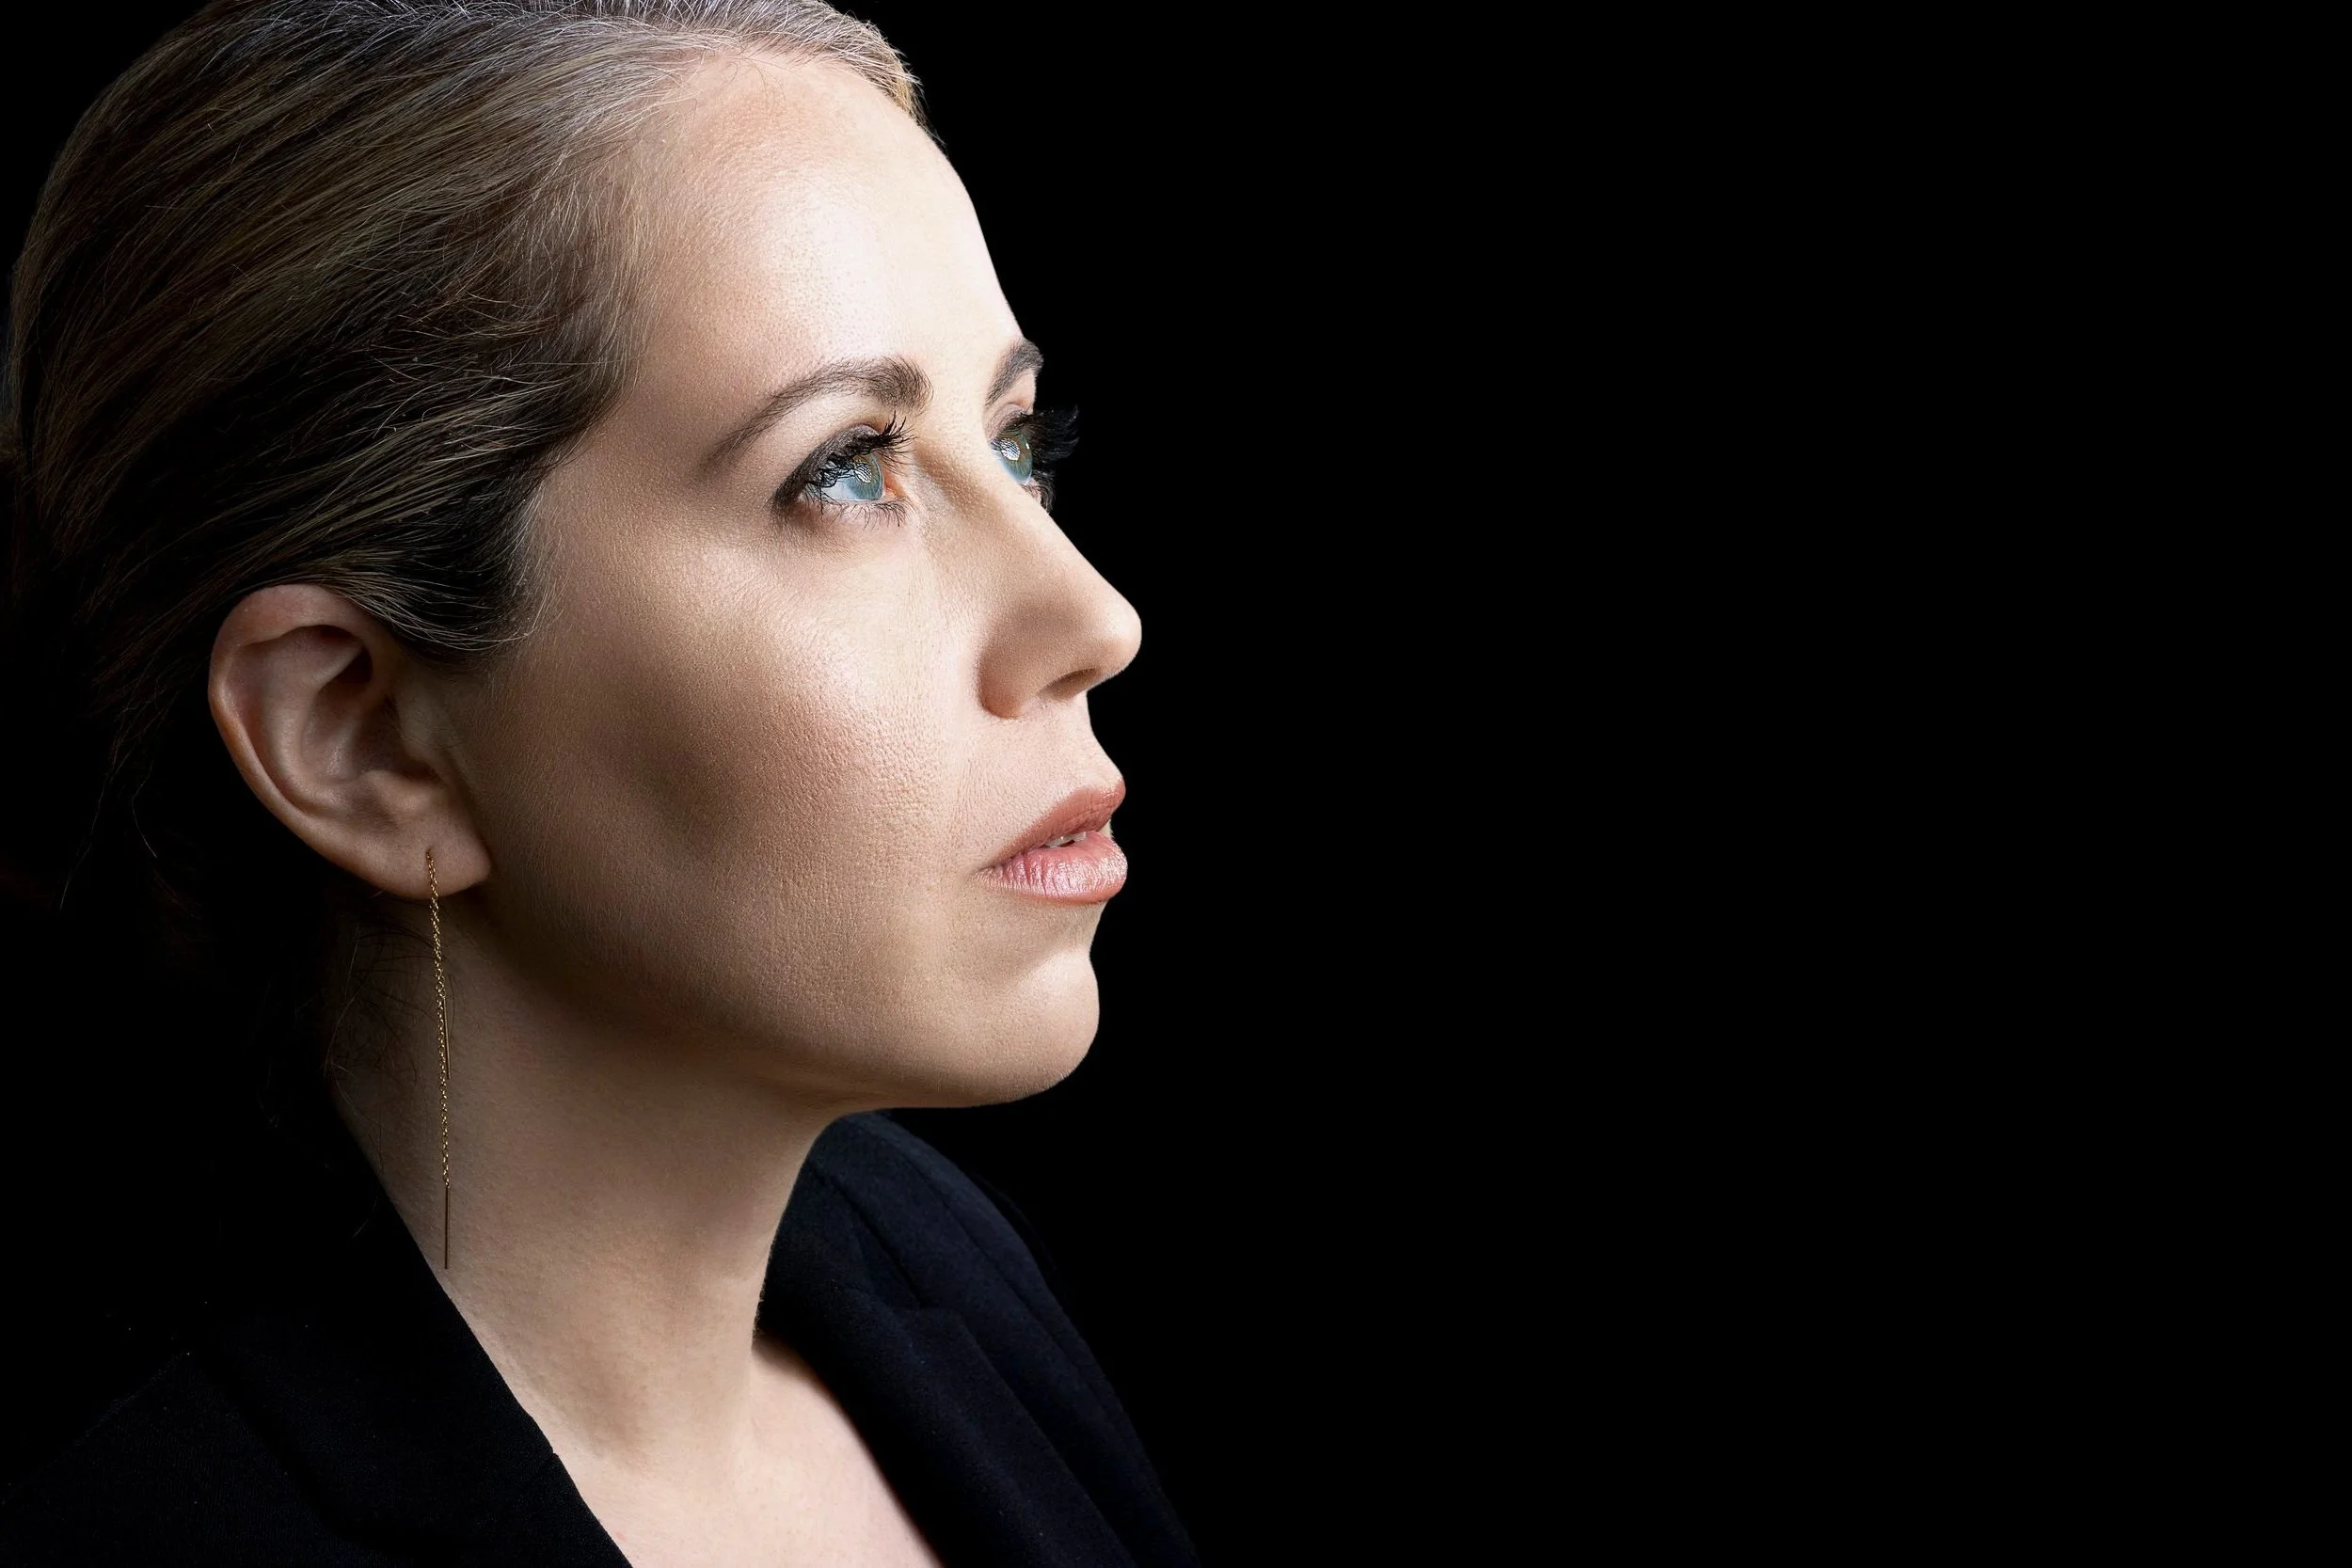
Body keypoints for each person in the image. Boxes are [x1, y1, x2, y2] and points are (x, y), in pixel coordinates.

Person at [0, 3, 1195, 1563]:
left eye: (1015, 442)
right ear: (361, 734)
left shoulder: (934, 1263)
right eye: (847, 468)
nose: (1096, 618)